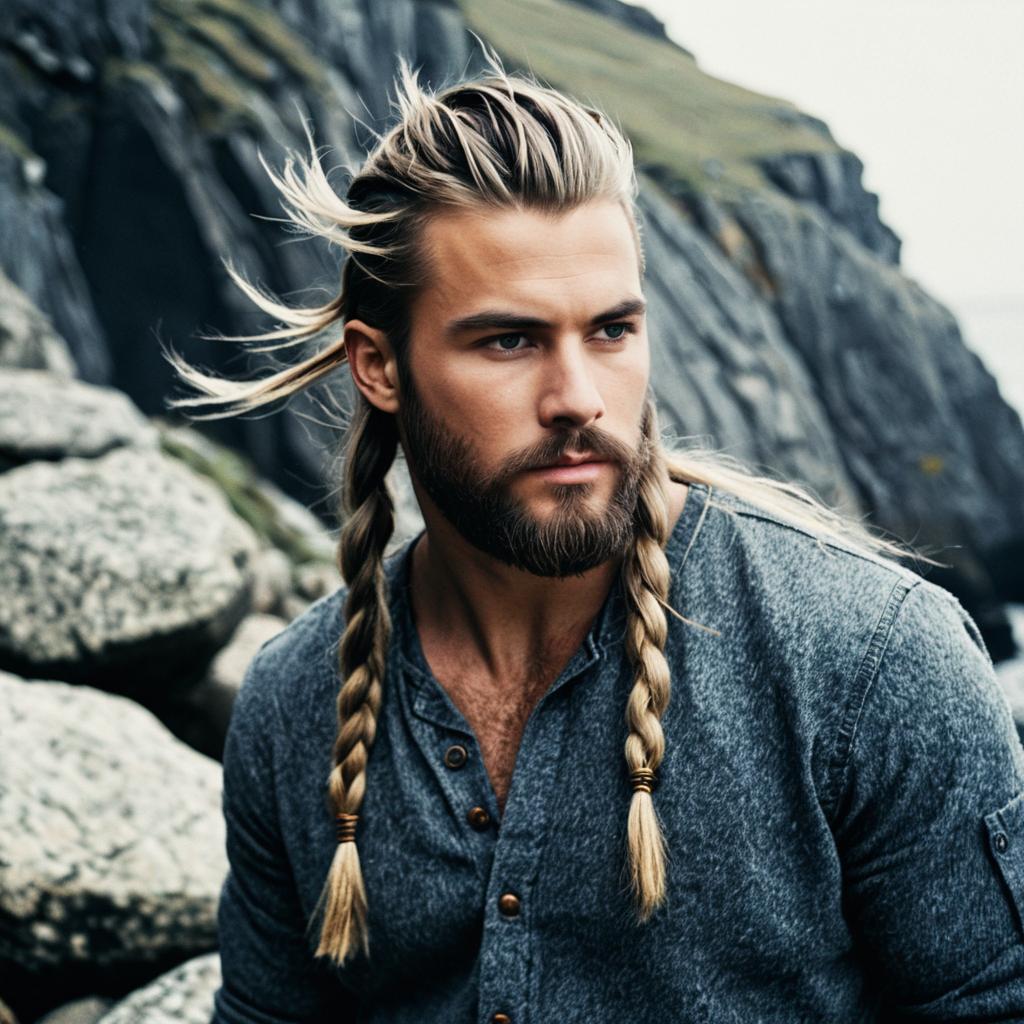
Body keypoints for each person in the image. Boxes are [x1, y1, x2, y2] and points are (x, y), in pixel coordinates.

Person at [166, 44, 1024, 1024]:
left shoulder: (874, 662)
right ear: (380, 367)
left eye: (611, 330)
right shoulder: (292, 704)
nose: (578, 397)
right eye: (510, 339)